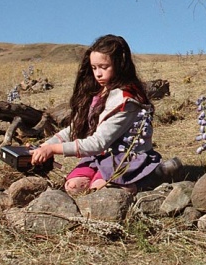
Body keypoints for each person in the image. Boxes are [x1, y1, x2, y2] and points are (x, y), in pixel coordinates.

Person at [30, 34, 183, 195]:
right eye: (94, 68)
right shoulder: (96, 94)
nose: (98, 74)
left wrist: (53, 150)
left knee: (101, 190)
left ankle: (157, 175)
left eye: (104, 67)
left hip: (127, 157)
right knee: (73, 187)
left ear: (120, 65)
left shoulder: (127, 100)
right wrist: (44, 147)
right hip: (101, 157)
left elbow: (98, 143)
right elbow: (75, 128)